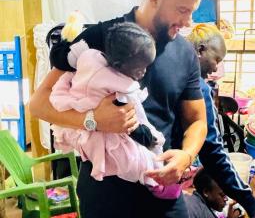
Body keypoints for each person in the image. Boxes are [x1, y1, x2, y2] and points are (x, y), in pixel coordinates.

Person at [30, 0, 207, 218]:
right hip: (103, 181)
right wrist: (92, 120)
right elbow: (38, 103)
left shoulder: (184, 52)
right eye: (182, 10)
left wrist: (186, 156)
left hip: (158, 177)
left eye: (191, 11)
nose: (188, 22)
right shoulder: (100, 37)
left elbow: (198, 120)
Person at [49, 22, 181, 199]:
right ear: (119, 64)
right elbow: (130, 121)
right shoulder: (117, 84)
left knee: (146, 145)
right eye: (139, 68)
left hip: (84, 118)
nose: (143, 72)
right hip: (103, 136)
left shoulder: (90, 57)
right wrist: (146, 136)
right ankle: (153, 180)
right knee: (135, 158)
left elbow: (68, 72)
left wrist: (66, 89)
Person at [186, 23, 255, 218]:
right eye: (216, 59)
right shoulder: (198, 88)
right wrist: (252, 205)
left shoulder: (167, 68)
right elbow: (213, 153)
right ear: (200, 50)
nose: (216, 68)